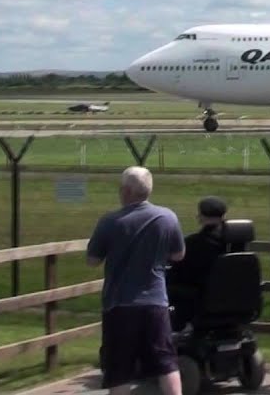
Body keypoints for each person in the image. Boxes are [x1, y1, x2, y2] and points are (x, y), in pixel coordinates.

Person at [86, 166, 187, 395]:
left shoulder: (110, 221)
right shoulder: (167, 217)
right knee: (166, 362)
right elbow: (178, 254)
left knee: (119, 368)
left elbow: (92, 260)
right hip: (156, 302)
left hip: (120, 304)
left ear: (127, 191)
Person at [166, 196, 230, 330]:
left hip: (201, 299)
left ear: (201, 217)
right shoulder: (234, 246)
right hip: (227, 299)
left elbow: (178, 271)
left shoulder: (194, 244)